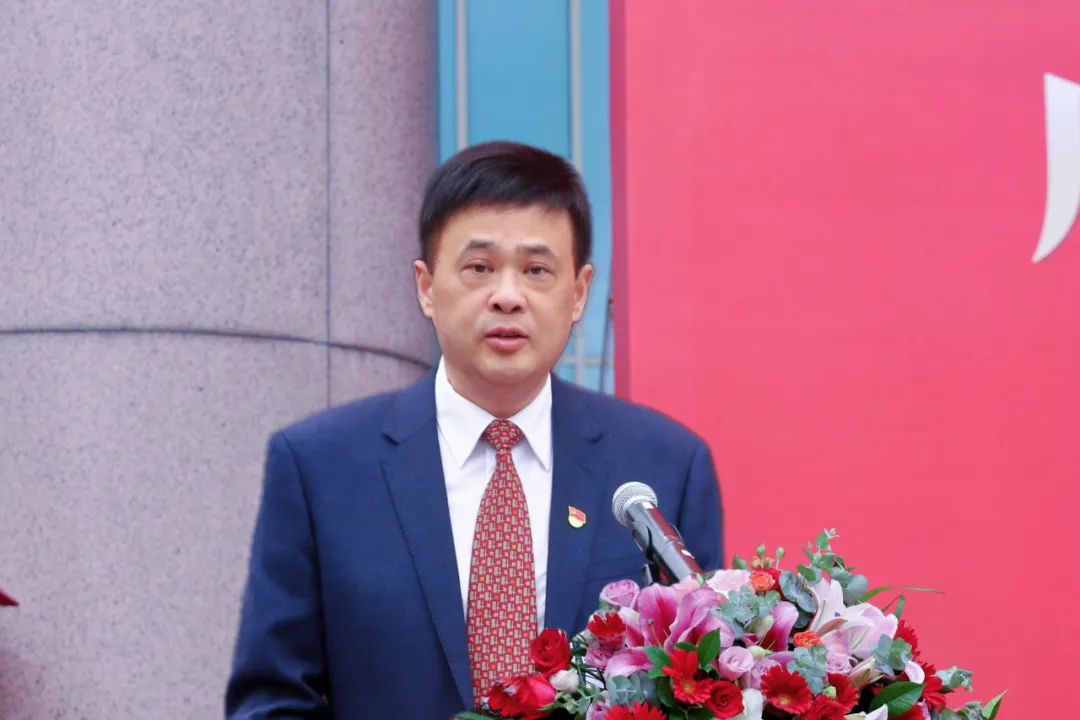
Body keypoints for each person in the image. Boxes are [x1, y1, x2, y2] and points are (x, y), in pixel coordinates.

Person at [225, 141, 724, 718]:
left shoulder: (663, 468)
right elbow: (273, 698)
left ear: (579, 292)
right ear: (426, 286)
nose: (507, 297)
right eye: (479, 268)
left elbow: (704, 687)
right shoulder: (321, 467)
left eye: (537, 271)